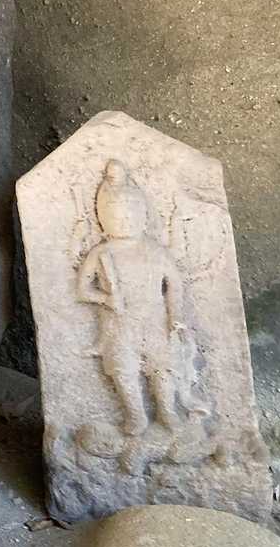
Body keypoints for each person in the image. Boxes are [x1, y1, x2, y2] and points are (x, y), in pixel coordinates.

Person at [77, 160, 210, 436]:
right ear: (103, 220)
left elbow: (174, 285)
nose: (125, 221)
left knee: (162, 368)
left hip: (155, 319)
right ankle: (135, 415)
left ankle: (167, 411)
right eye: (116, 217)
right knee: (123, 369)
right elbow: (82, 290)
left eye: (131, 216)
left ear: (144, 217)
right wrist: (105, 299)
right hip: (119, 323)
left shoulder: (155, 251)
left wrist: (175, 316)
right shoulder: (101, 253)